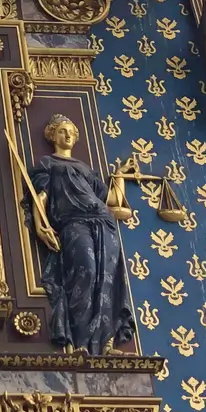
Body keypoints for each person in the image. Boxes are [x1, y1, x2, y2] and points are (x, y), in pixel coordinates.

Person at [27, 114, 135, 355]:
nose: (66, 135)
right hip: (74, 223)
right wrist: (39, 225)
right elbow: (41, 197)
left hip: (103, 223)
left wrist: (120, 175)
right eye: (62, 131)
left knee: (106, 281)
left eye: (70, 132)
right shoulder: (48, 164)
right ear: (53, 136)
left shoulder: (86, 169)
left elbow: (112, 200)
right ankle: (80, 343)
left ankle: (106, 344)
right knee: (83, 275)